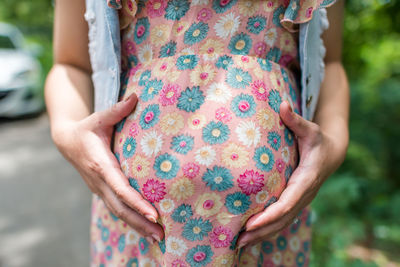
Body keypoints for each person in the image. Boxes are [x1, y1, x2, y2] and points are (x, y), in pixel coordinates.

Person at [45, 0, 349, 265]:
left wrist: (333, 146)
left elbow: (332, 61)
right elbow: (71, 63)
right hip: (135, 228)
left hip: (272, 231)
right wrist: (69, 134)